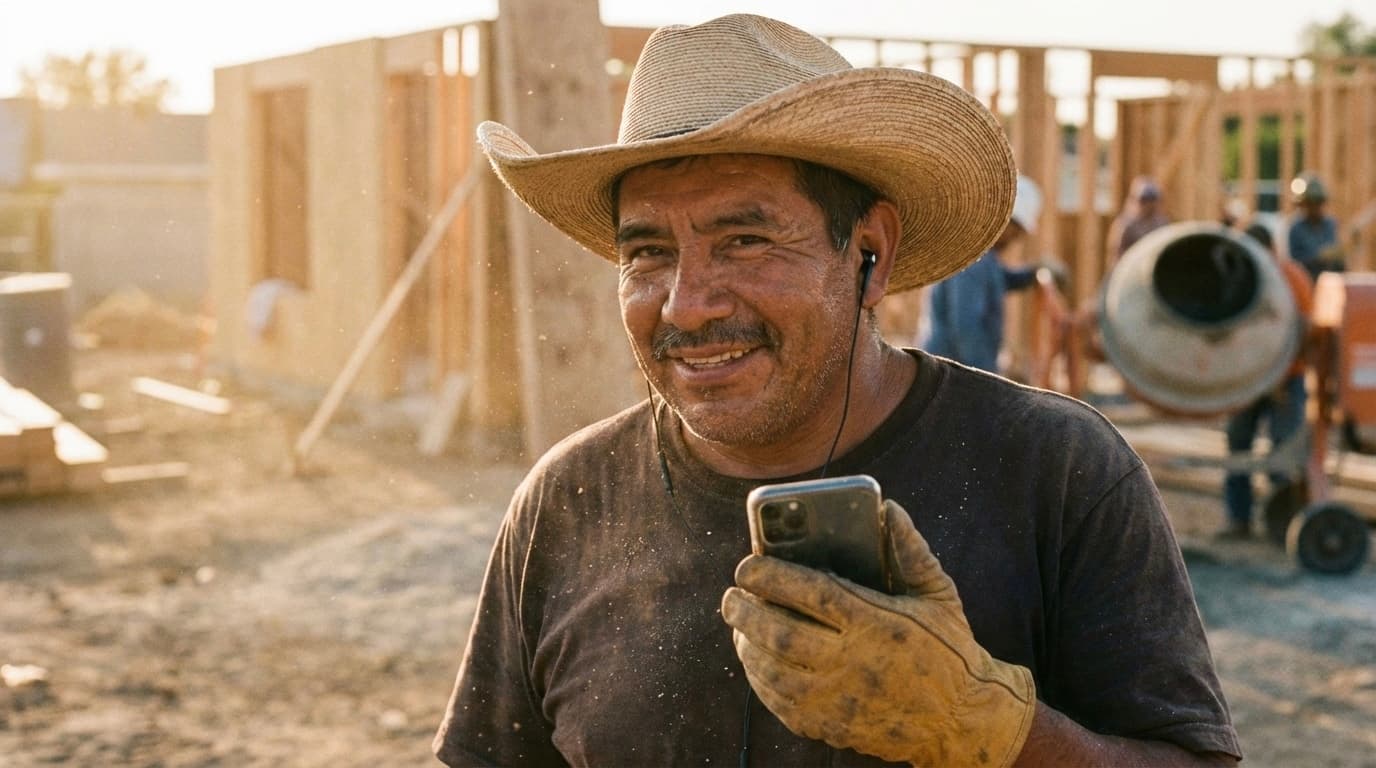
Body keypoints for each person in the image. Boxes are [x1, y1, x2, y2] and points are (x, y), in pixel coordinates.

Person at [435, 14, 1239, 767]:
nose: (687, 303)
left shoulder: (1056, 473)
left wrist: (988, 729)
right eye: (646, 254)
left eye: (744, 241)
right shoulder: (569, 502)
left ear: (870, 255)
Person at [1220, 222, 1313, 539]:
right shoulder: (1238, 279)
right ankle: (1239, 519)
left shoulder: (1292, 278)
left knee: (1284, 449)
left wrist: (1279, 379)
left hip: (1287, 378)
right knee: (1237, 443)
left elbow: (1302, 331)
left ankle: (1282, 521)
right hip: (1248, 379)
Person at [922, 175, 1043, 373]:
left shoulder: (983, 255)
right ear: (1005, 221)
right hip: (951, 375)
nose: (1017, 239)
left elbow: (999, 280)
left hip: (951, 370)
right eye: (1017, 230)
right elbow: (966, 327)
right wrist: (987, 378)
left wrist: (1032, 274)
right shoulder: (973, 260)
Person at [1286, 172, 1342, 280]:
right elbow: (1295, 264)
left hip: (1328, 283)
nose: (1315, 208)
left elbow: (1339, 263)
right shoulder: (1296, 228)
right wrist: (1318, 258)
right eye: (1311, 203)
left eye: (1318, 203)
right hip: (1306, 282)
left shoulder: (1330, 224)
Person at [1106, 175, 1170, 266]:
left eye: (1151, 199)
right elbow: (1116, 252)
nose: (1148, 205)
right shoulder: (1125, 224)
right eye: (1144, 200)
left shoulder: (1161, 223)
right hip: (1129, 269)